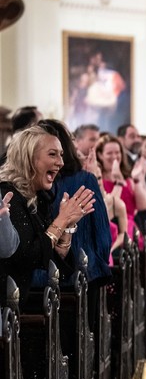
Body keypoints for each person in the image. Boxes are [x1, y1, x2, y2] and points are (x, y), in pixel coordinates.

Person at [0, 127, 95, 306]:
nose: (60, 162)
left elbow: (50, 259)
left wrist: (67, 227)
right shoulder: (8, 195)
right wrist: (61, 220)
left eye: (61, 155)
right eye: (52, 154)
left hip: (14, 308)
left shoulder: (36, 198)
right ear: (28, 158)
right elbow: (25, 257)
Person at [33, 119, 112, 293]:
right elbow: (102, 235)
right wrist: (98, 260)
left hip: (39, 280)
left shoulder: (32, 182)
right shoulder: (85, 180)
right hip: (84, 273)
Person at [96, 133, 146, 244]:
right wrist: (118, 184)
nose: (114, 156)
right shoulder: (97, 180)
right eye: (109, 153)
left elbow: (142, 205)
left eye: (117, 152)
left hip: (130, 230)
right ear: (100, 155)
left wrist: (137, 179)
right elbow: (108, 208)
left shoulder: (128, 178)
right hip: (111, 232)